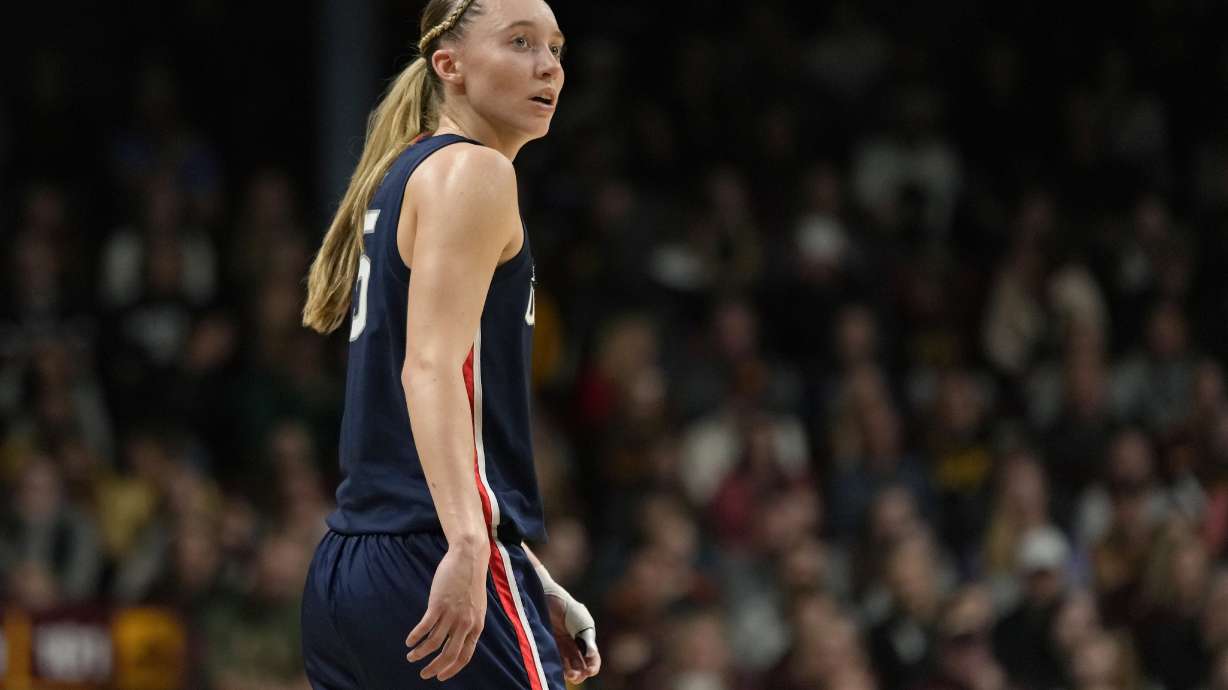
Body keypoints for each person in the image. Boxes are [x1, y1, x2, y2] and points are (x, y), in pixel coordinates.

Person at [298, 0, 600, 688]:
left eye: (555, 48)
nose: (548, 67)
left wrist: (529, 574)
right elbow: (430, 369)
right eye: (520, 42)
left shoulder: (407, 172)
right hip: (431, 553)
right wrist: (470, 544)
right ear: (449, 65)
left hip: (351, 568)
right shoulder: (477, 173)